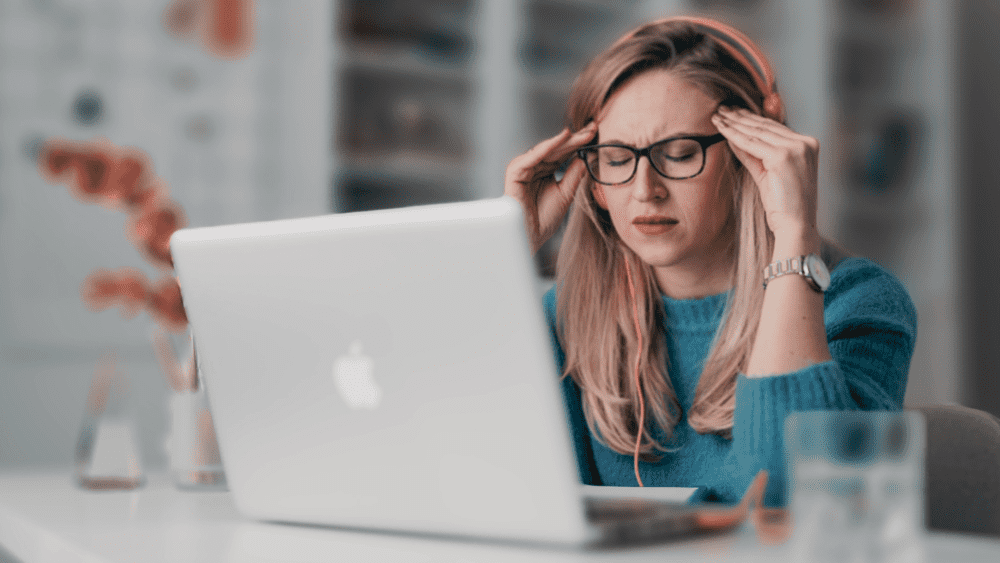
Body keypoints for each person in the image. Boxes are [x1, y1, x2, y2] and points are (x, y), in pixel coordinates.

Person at [504, 16, 916, 507]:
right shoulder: (565, 316)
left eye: (678, 154)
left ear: (752, 156)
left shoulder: (858, 302)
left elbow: (787, 501)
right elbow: (490, 483)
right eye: (616, 160)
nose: (644, 191)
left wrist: (792, 238)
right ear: (591, 179)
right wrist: (506, 251)